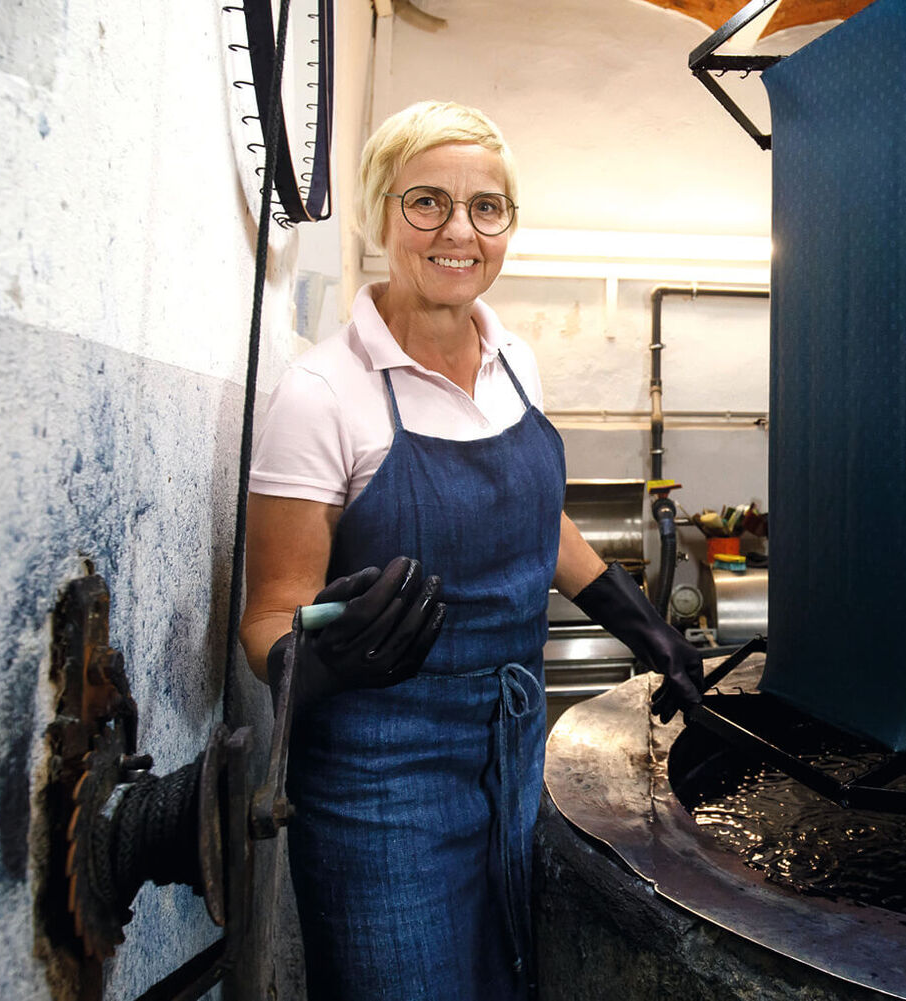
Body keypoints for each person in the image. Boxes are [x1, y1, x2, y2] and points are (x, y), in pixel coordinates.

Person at [239, 100, 704, 1000]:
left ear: (507, 226)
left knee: (511, 976)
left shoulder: (515, 360)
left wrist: (642, 625)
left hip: (515, 742)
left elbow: (538, 518)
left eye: (486, 208)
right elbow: (266, 615)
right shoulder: (322, 394)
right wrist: (321, 659)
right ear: (381, 215)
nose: (459, 231)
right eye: (427, 202)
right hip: (381, 777)